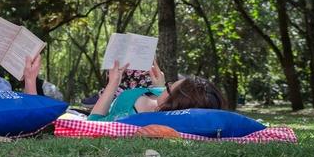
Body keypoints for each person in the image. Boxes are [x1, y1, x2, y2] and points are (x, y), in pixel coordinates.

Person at [88, 60, 227, 121]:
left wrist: (112, 84)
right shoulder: (162, 98)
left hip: (107, 103)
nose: (165, 86)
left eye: (168, 87)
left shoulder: (129, 117)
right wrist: (158, 86)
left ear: (174, 104)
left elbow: (94, 121)